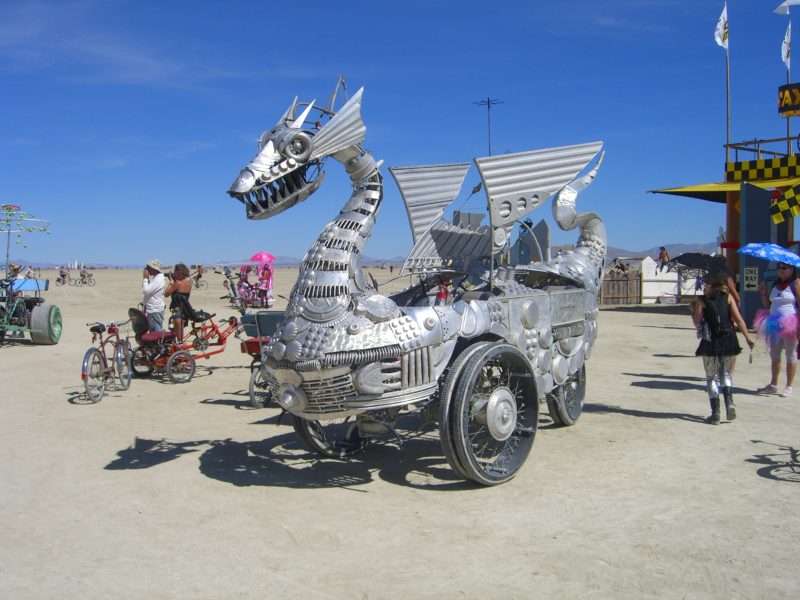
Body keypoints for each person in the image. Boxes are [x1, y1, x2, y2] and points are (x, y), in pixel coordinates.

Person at [692, 272, 755, 424]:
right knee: (725, 374)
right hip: (728, 339)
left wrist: (693, 308)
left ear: (708, 284)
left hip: (711, 341)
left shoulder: (702, 300)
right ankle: (730, 404)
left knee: (711, 376)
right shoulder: (729, 297)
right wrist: (747, 337)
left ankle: (715, 413)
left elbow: (697, 322)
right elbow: (738, 319)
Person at [754, 262, 800, 397]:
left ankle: (789, 386)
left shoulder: (796, 283)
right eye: (779, 268)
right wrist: (763, 294)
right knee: (775, 355)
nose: (780, 271)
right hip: (774, 322)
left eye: (784, 268)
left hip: (791, 322)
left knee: (791, 354)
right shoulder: (775, 284)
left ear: (792, 269)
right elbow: (768, 305)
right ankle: (773, 384)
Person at [164, 263, 193, 341]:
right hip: (185, 312)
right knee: (181, 335)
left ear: (177, 272)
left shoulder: (177, 284)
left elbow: (166, 294)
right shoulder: (189, 283)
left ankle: (181, 351)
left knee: (178, 338)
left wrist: (171, 281)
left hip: (177, 312)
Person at [142, 259, 166, 332]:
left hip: (155, 311)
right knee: (153, 333)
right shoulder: (156, 278)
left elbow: (146, 291)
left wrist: (145, 278)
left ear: (153, 268)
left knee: (156, 335)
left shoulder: (158, 278)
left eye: (148, 267)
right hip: (153, 310)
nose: (146, 269)